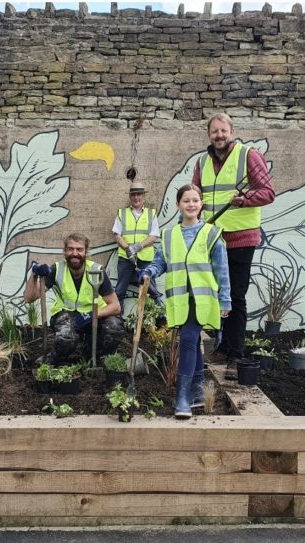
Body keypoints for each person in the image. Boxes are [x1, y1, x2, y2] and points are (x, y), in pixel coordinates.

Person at [136, 184, 231, 419]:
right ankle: (198, 392)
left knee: (188, 339)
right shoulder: (169, 235)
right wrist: (149, 272)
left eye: (195, 200)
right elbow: (161, 262)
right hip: (180, 299)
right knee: (192, 340)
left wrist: (225, 301)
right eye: (186, 200)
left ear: (201, 204)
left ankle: (183, 396)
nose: (191, 204)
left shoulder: (212, 234)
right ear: (179, 204)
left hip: (203, 299)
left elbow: (222, 270)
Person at [192, 113, 275, 378]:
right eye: (215, 131)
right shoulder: (202, 162)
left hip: (240, 239)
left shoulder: (248, 155)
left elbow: (268, 192)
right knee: (219, 296)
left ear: (232, 131)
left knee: (236, 297)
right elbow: (194, 195)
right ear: (208, 134)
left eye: (223, 131)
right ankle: (224, 345)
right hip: (213, 239)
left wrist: (245, 199)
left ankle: (235, 356)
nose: (219, 135)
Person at [23, 233, 123, 364]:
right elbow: (29, 298)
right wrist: (34, 274)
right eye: (70, 249)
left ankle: (92, 356)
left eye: (79, 249)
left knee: (114, 328)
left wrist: (91, 315)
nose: (74, 253)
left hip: (93, 316)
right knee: (66, 338)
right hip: (66, 316)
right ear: (64, 252)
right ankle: (55, 358)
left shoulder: (96, 271)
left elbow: (115, 306)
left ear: (86, 252)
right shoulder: (56, 270)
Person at [112, 182, 163, 311]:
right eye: (133, 195)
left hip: (146, 258)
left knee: (151, 290)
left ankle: (156, 320)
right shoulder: (122, 213)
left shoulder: (151, 214)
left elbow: (154, 235)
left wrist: (138, 247)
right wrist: (128, 249)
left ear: (144, 197)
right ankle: (117, 321)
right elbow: (117, 235)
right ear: (130, 197)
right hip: (125, 258)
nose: (136, 197)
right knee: (120, 290)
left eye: (139, 194)